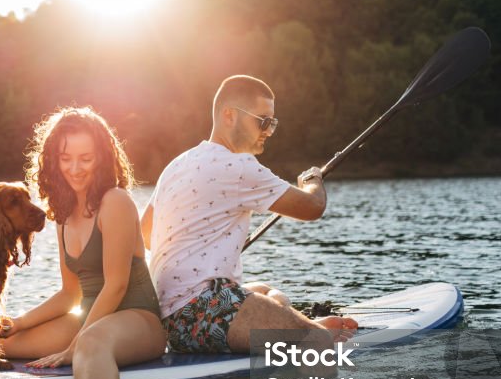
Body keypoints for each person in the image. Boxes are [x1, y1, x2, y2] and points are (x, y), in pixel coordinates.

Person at [140, 75, 357, 354]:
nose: (269, 130)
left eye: (273, 122)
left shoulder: (177, 164)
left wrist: (204, 249)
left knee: (265, 291)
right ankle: (310, 333)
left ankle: (293, 327)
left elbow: (147, 237)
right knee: (320, 343)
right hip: (202, 311)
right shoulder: (239, 165)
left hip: (166, 319)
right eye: (263, 121)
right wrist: (313, 178)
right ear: (229, 115)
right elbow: (312, 207)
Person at [0, 106, 166, 379]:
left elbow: (116, 285)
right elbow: (70, 293)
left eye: (85, 158)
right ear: (52, 161)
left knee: (92, 343)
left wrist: (75, 347)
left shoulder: (115, 201)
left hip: (137, 318)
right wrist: (19, 323)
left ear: (102, 158)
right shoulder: (61, 213)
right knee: (1, 345)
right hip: (88, 317)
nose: (74, 168)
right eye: (65, 158)